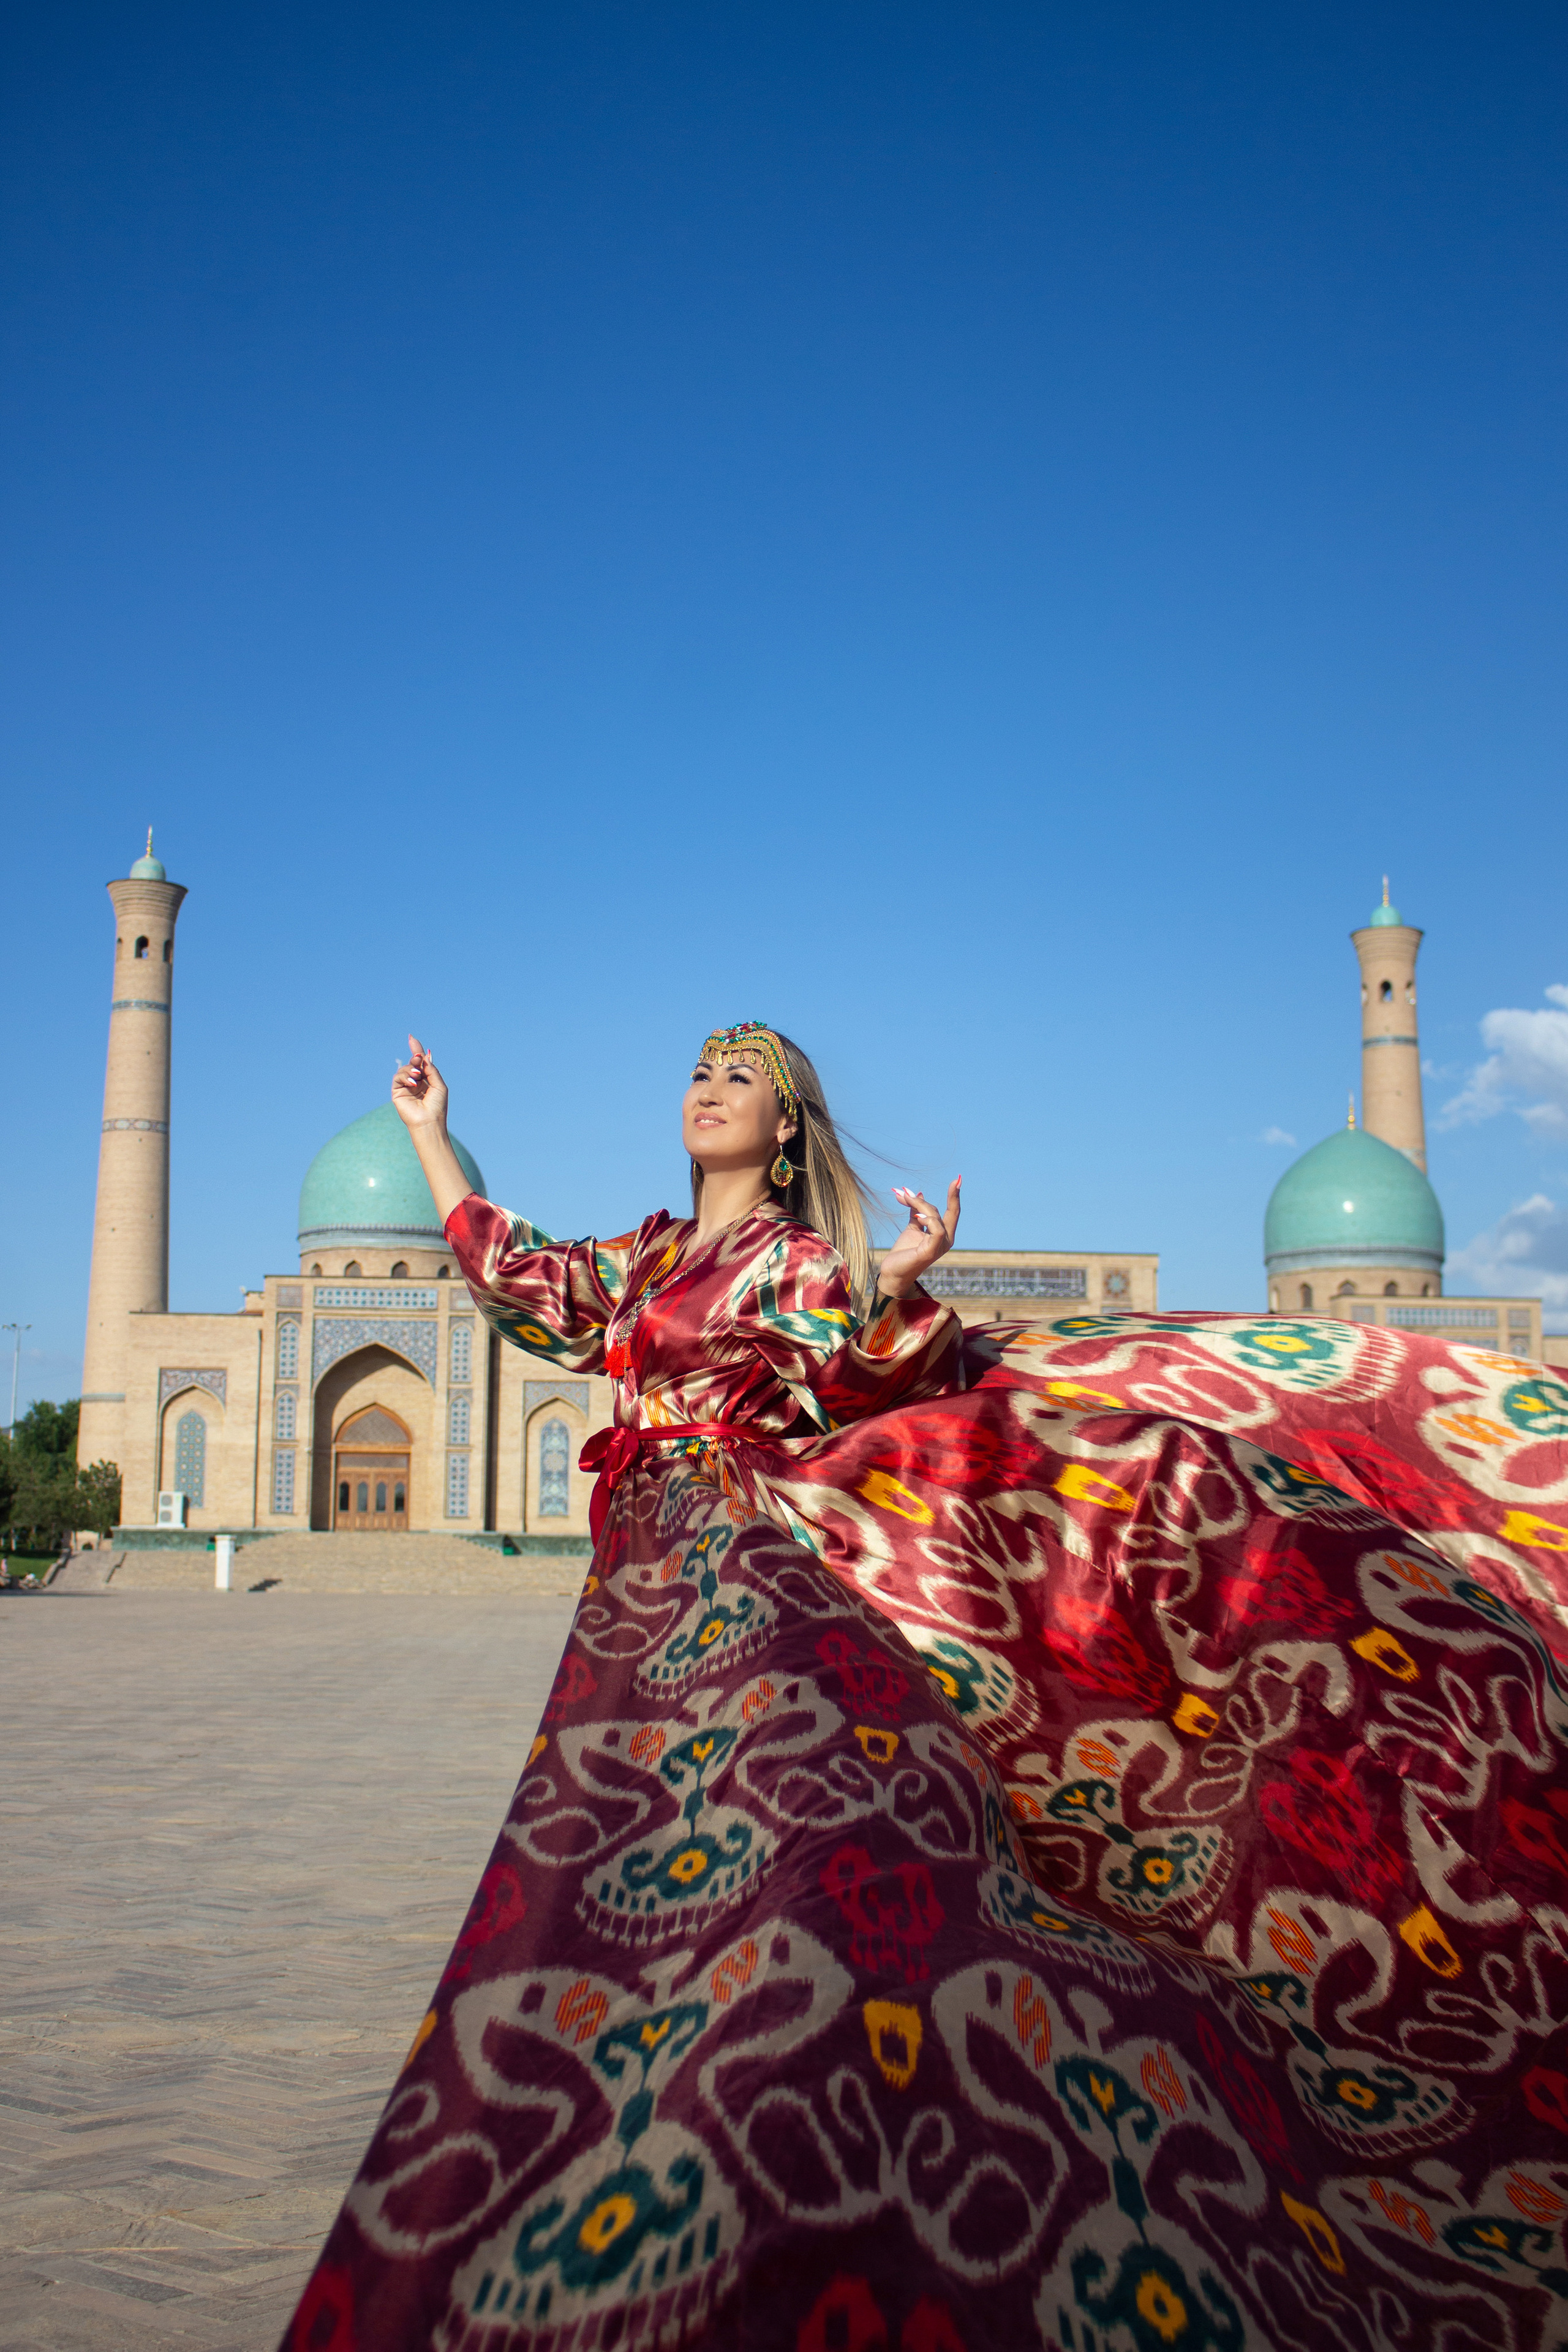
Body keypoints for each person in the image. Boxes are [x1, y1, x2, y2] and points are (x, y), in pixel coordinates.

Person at [285, 1025, 1568, 2352]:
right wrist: (430, 1135)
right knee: (645, 1817)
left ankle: (787, 2142)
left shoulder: (791, 1261)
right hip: (646, 1552)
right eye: (700, 1071)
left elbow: (859, 1367)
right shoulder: (648, 1255)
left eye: (741, 1078)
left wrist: (893, 1283)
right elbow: (524, 1276)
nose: (709, 1090)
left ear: (787, 1126)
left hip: (737, 1542)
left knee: (742, 1815)